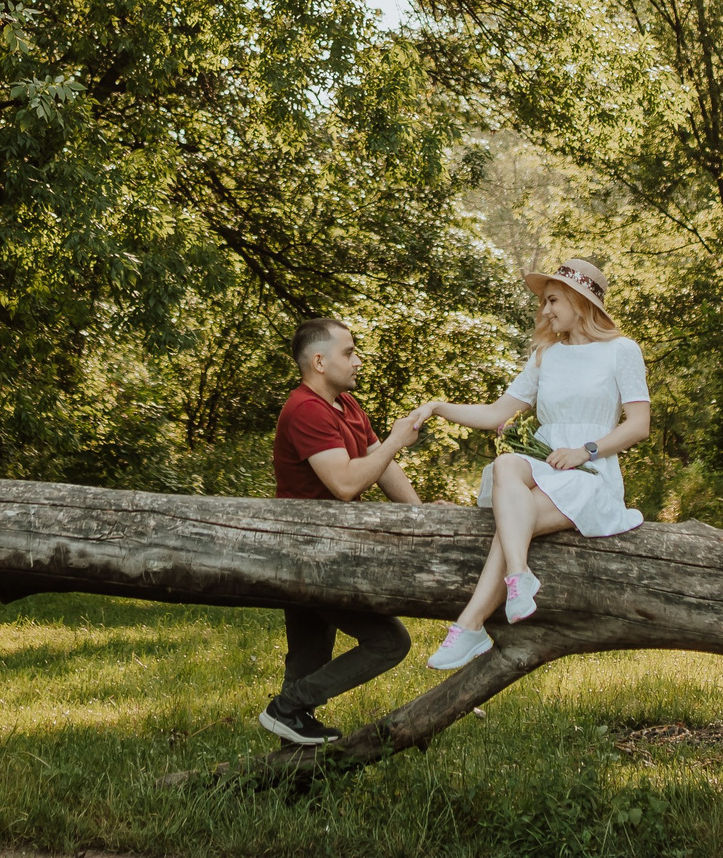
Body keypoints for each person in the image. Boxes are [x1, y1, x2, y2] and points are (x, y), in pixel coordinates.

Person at [416, 258, 650, 670]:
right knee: (506, 466)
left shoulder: (621, 351)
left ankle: (470, 625)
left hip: (589, 474)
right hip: (542, 467)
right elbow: (496, 414)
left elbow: (639, 425)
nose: (545, 311)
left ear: (581, 300)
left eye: (553, 300)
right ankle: (518, 576)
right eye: (544, 302)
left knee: (510, 525)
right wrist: (438, 407)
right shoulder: (546, 356)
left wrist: (587, 450)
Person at [261, 317, 434, 746]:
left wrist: (424, 518)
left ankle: (293, 768)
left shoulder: (347, 406)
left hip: (328, 550)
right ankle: (286, 708)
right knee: (388, 641)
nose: (357, 361)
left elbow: (382, 467)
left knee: (308, 657)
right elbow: (345, 484)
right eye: (349, 352)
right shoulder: (305, 409)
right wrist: (397, 439)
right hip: (306, 555)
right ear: (319, 361)